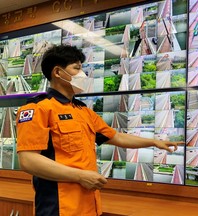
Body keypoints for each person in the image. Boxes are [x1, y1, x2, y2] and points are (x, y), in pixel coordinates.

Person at [16, 45, 182, 216]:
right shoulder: (38, 109)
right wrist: (80, 176)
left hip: (90, 205)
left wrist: (154, 142)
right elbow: (28, 160)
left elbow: (115, 136)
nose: (83, 75)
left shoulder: (83, 111)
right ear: (57, 72)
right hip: (59, 208)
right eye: (77, 68)